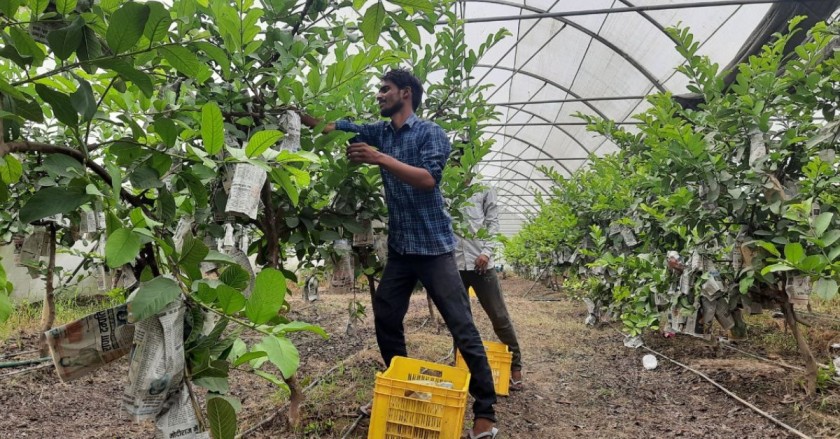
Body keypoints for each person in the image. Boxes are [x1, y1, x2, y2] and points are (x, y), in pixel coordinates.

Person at [301, 68, 498, 438]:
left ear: (405, 94)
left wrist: (380, 158)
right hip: (402, 249)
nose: (378, 95)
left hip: (435, 248)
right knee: (387, 318)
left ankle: (486, 409)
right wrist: (295, 114)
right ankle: (402, 382)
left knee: (462, 327)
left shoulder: (430, 133)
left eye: (385, 89)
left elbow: (428, 179)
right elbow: (333, 127)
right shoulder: (380, 131)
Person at [454, 182, 524, 390]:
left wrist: (486, 252)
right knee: (458, 319)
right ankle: (461, 366)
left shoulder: (484, 189)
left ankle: (515, 368)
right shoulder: (446, 187)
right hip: (454, 264)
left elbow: (493, 223)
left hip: (481, 263)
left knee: (499, 316)